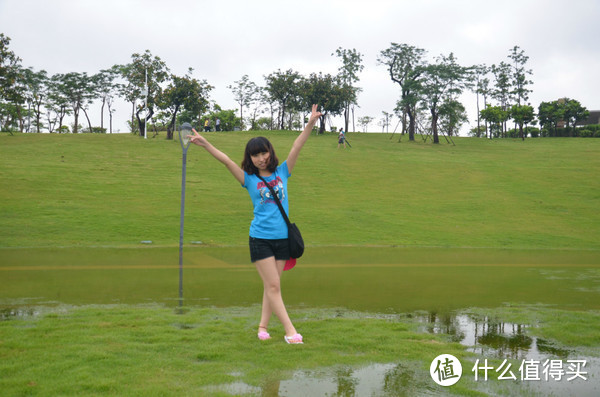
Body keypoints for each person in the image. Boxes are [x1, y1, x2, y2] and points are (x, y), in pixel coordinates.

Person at [188, 104, 322, 345]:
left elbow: (296, 146)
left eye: (264, 153)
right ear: (250, 158)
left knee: (273, 286)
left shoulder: (283, 172)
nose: (261, 158)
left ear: (270, 152)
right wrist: (206, 144)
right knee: (273, 286)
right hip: (260, 238)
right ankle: (291, 332)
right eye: (255, 155)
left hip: (282, 239)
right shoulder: (248, 179)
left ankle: (262, 327)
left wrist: (311, 122)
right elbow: (227, 161)